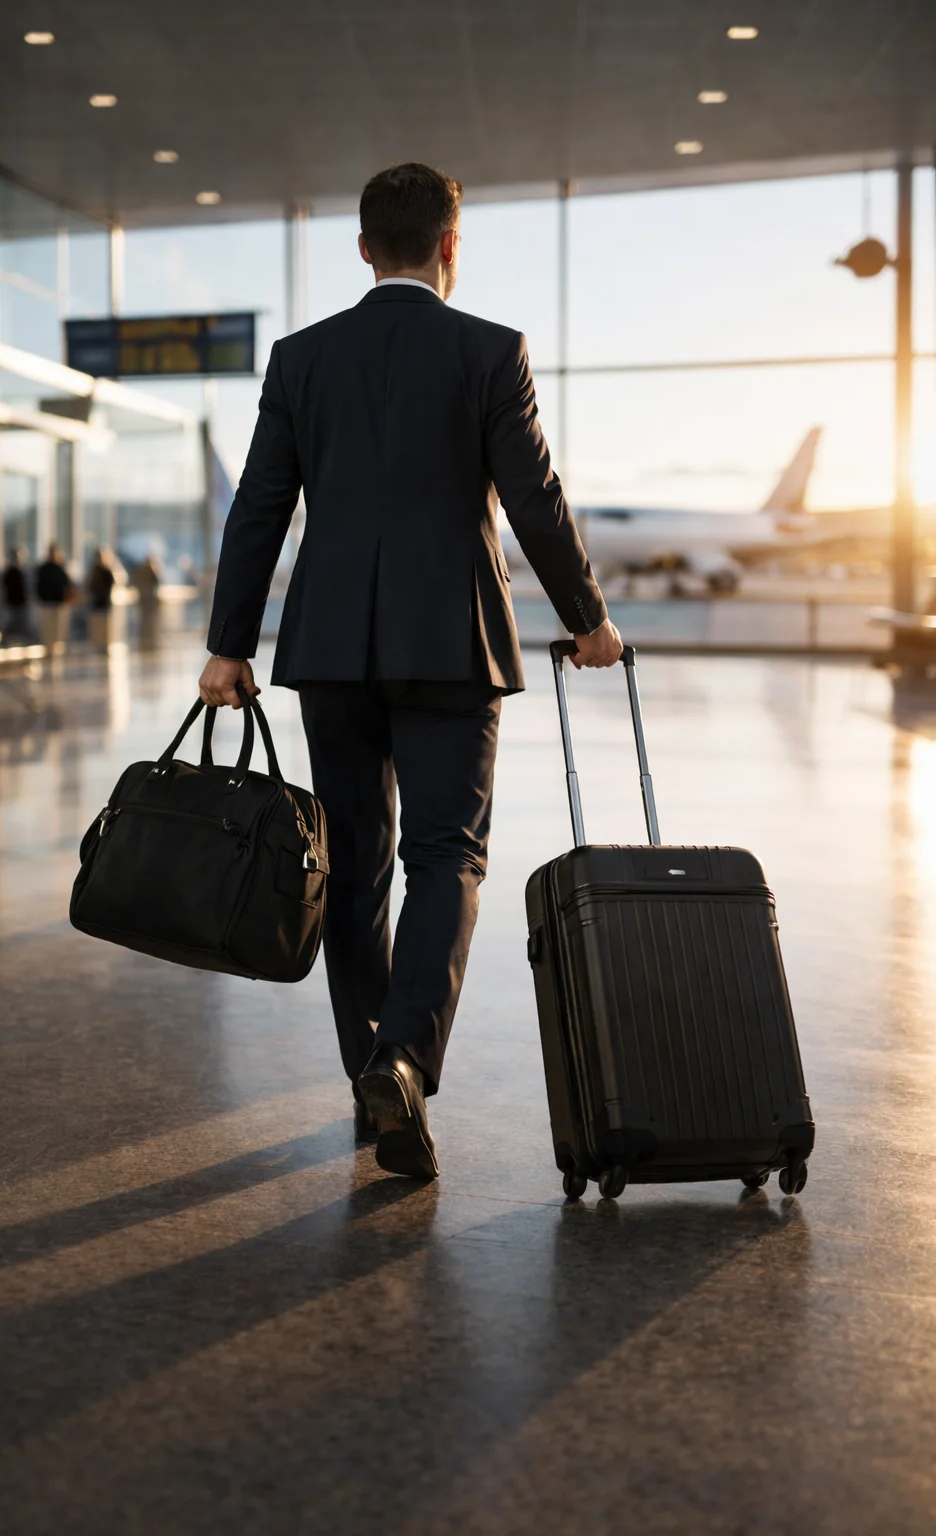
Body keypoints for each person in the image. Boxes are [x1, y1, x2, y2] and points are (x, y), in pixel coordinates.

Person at [199, 162, 621, 1181]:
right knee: (446, 857)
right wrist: (589, 620)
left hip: (333, 649)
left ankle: (367, 1076)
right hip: (452, 645)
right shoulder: (488, 350)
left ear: (361, 249)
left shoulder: (302, 360)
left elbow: (258, 506)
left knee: (353, 864)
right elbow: (533, 499)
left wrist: (228, 644)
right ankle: (403, 1059)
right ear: (449, 247)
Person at [35, 544, 73, 651]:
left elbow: (67, 584)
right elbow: (39, 584)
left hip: (59, 602)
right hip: (47, 601)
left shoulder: (61, 568)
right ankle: (48, 646)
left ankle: (57, 645)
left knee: (58, 627)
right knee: (47, 626)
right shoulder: (43, 569)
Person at [86, 548, 116, 650]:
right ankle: (98, 644)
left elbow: (112, 583)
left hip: (104, 602)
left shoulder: (106, 571)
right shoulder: (94, 572)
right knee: (97, 625)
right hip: (97, 602)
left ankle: (104, 644)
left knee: (105, 625)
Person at [1, 549, 30, 638]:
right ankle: (8, 637)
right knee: (12, 620)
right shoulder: (10, 572)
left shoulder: (20, 571)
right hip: (13, 601)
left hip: (19, 601)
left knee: (20, 620)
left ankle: (17, 636)